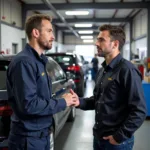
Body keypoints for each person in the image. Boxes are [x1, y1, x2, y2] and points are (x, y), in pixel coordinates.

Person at [70, 24, 147, 150]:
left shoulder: (127, 70)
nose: (96, 43)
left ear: (115, 44)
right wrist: (79, 101)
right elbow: (98, 100)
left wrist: (119, 136)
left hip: (116, 142)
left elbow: (139, 110)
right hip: (99, 137)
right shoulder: (103, 70)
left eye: (101, 40)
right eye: (97, 39)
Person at [6, 14, 77, 150]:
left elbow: (39, 98)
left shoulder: (39, 61)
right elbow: (29, 105)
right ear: (36, 33)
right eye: (49, 31)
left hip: (41, 135)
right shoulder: (24, 63)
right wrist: (63, 102)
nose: (53, 36)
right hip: (28, 139)